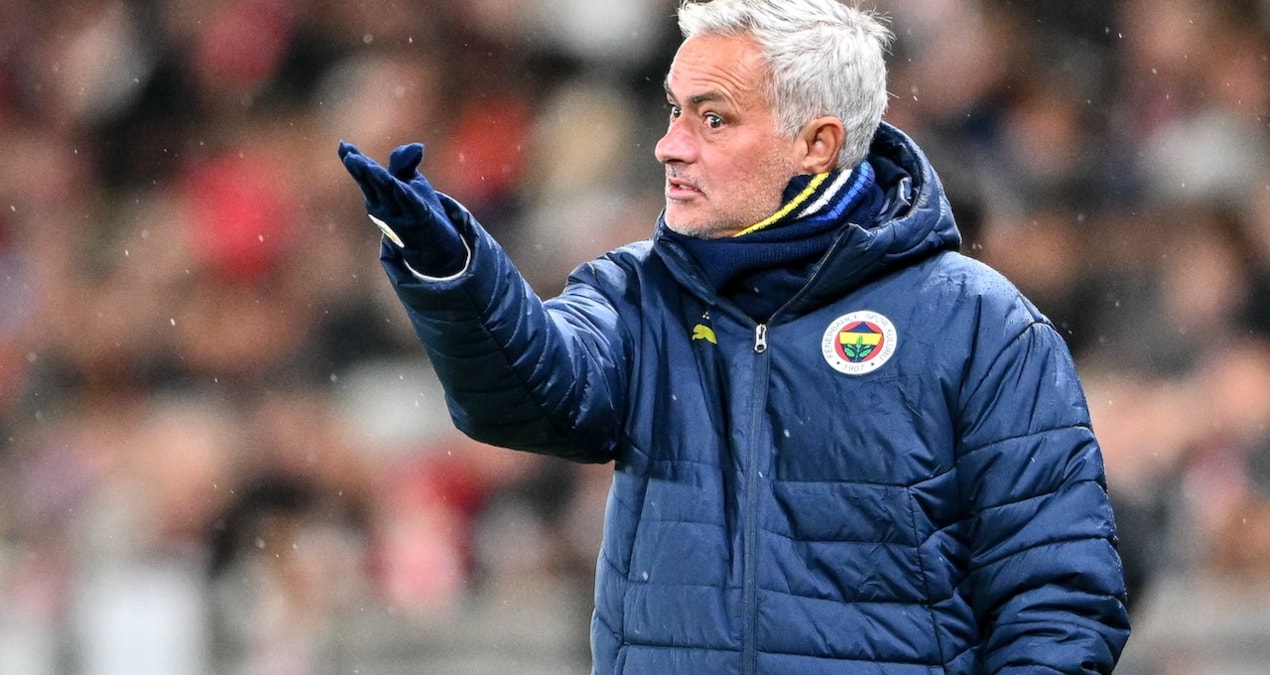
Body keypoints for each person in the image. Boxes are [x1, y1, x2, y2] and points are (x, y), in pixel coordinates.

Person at [337, 0, 1131, 672]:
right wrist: (456, 271)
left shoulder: (980, 325)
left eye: (713, 118)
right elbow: (530, 394)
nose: (670, 144)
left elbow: (1057, 598)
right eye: (674, 110)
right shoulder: (640, 295)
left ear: (817, 144)